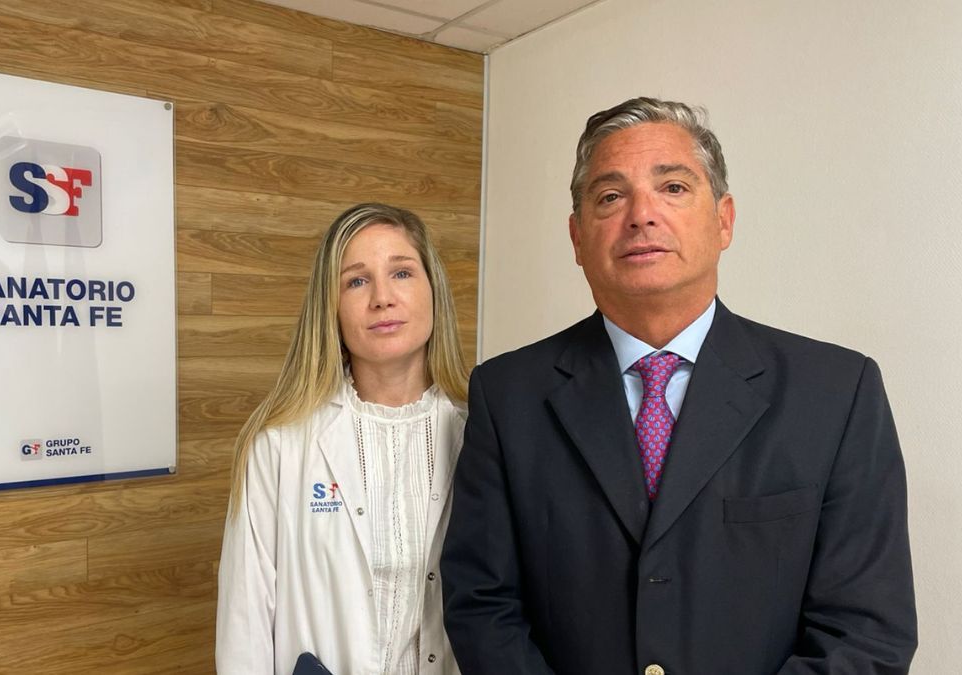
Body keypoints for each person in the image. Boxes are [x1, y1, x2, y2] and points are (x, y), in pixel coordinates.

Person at [440, 97, 917, 674]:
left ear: (724, 220)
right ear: (576, 237)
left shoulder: (838, 392)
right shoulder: (507, 394)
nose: (641, 214)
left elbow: (866, 632)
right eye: (611, 196)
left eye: (672, 187)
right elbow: (483, 604)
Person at [217, 203, 470, 674]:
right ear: (329, 307)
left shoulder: (481, 433)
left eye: (401, 273)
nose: (382, 298)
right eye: (356, 280)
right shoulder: (280, 444)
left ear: (434, 289)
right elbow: (244, 624)